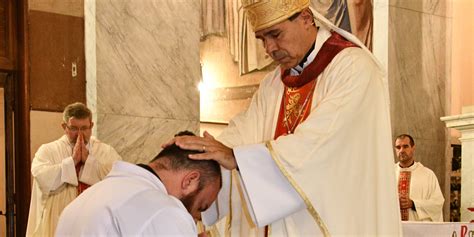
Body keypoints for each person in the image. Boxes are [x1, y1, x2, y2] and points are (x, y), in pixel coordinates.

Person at [167, 0, 401, 236]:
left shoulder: (353, 68)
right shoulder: (274, 84)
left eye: (275, 34)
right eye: (262, 39)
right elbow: (241, 133)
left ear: (307, 18)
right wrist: (193, 154)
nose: (269, 48)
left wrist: (237, 158)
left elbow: (320, 144)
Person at [55, 131, 222, 236]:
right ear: (190, 181)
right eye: (200, 207)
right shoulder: (165, 210)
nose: (196, 218)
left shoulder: (88, 197)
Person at [26, 102, 122, 237]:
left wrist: (89, 161)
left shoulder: (106, 151)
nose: (80, 134)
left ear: (92, 126)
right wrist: (72, 162)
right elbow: (43, 178)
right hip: (60, 222)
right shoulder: (48, 151)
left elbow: (118, 181)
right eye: (74, 128)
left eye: (84, 128)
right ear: (64, 127)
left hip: (96, 223)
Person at [394, 134, 445, 222]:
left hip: (418, 230)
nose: (401, 150)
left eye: (405, 146)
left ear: (413, 148)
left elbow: (437, 203)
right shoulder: (388, 174)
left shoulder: (427, 175)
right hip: (392, 228)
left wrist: (413, 204)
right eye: (398, 147)